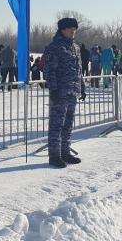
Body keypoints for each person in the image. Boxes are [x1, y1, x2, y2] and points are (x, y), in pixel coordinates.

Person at [44, 18, 86, 168]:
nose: (73, 31)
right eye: (70, 29)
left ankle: (65, 152)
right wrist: (53, 89)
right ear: (62, 30)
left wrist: (82, 86)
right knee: (57, 124)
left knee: (68, 124)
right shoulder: (54, 47)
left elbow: (79, 69)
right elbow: (49, 70)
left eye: (74, 29)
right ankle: (54, 155)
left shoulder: (75, 47)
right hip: (60, 91)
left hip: (72, 91)